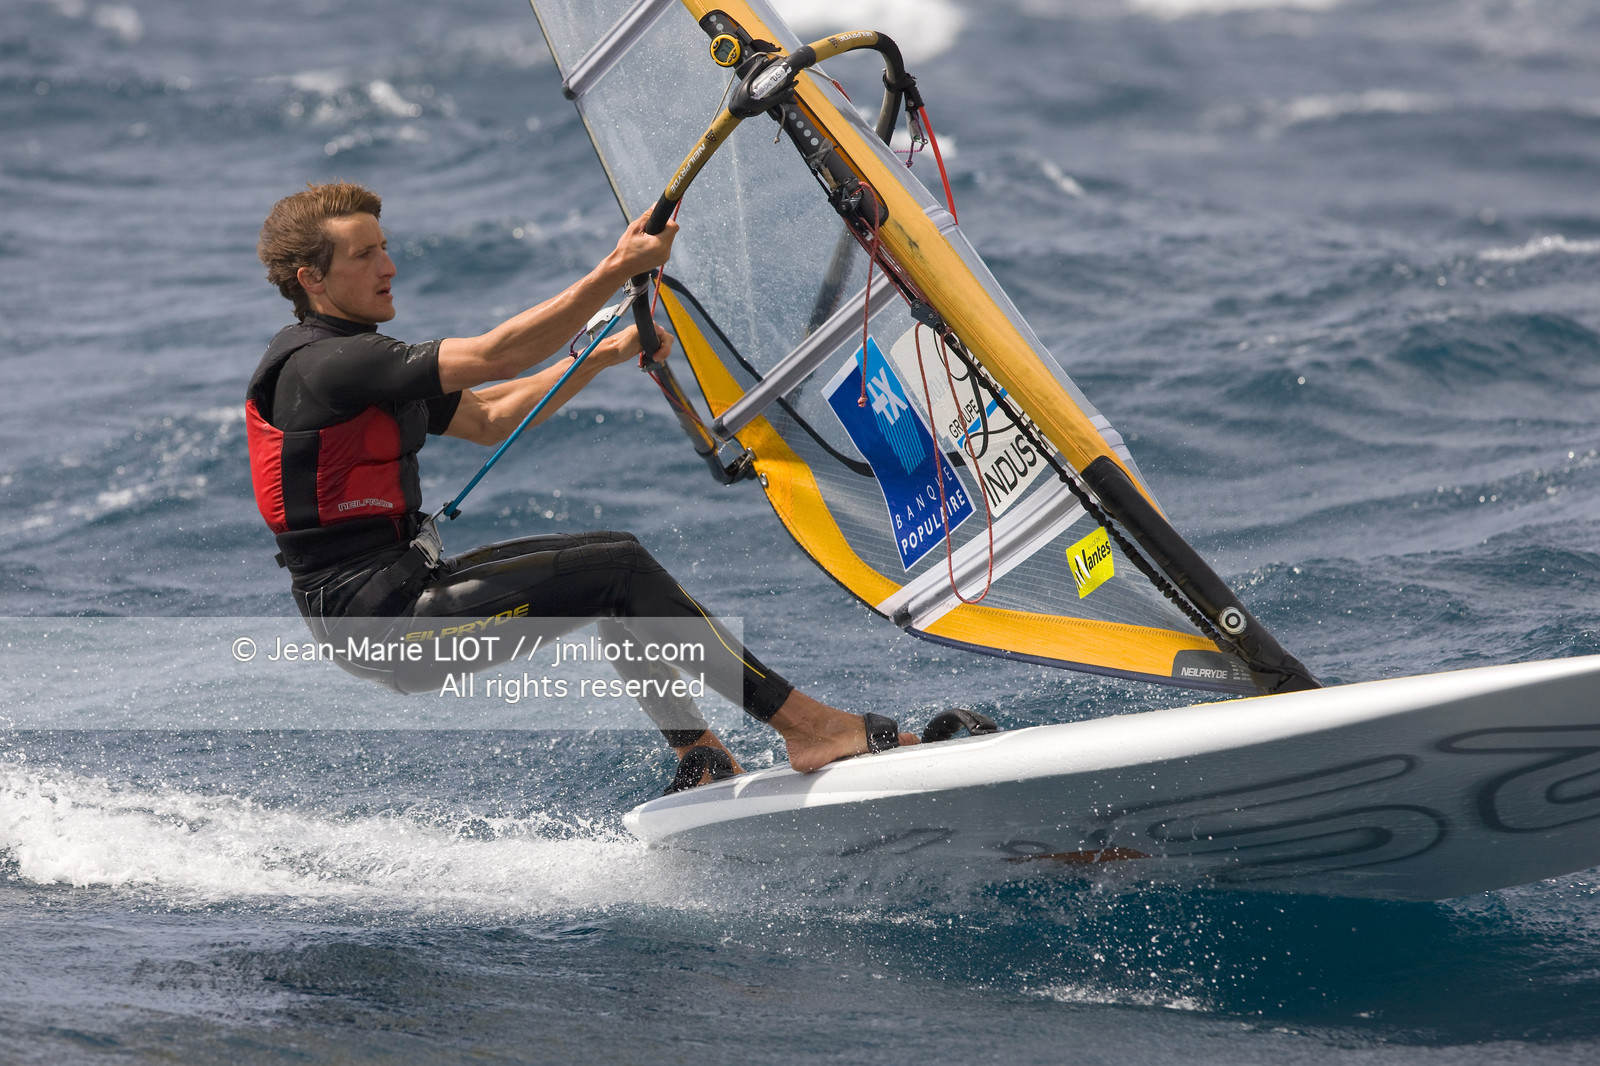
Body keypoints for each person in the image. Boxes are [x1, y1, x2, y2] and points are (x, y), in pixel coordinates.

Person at [247, 181, 917, 788]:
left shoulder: (354, 362)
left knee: (609, 569)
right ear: (312, 278)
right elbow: (498, 354)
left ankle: (701, 757)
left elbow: (490, 416)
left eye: (384, 248)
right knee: (616, 569)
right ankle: (808, 728)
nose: (388, 267)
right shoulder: (328, 365)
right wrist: (615, 270)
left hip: (393, 602)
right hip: (383, 624)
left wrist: (606, 352)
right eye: (363, 256)